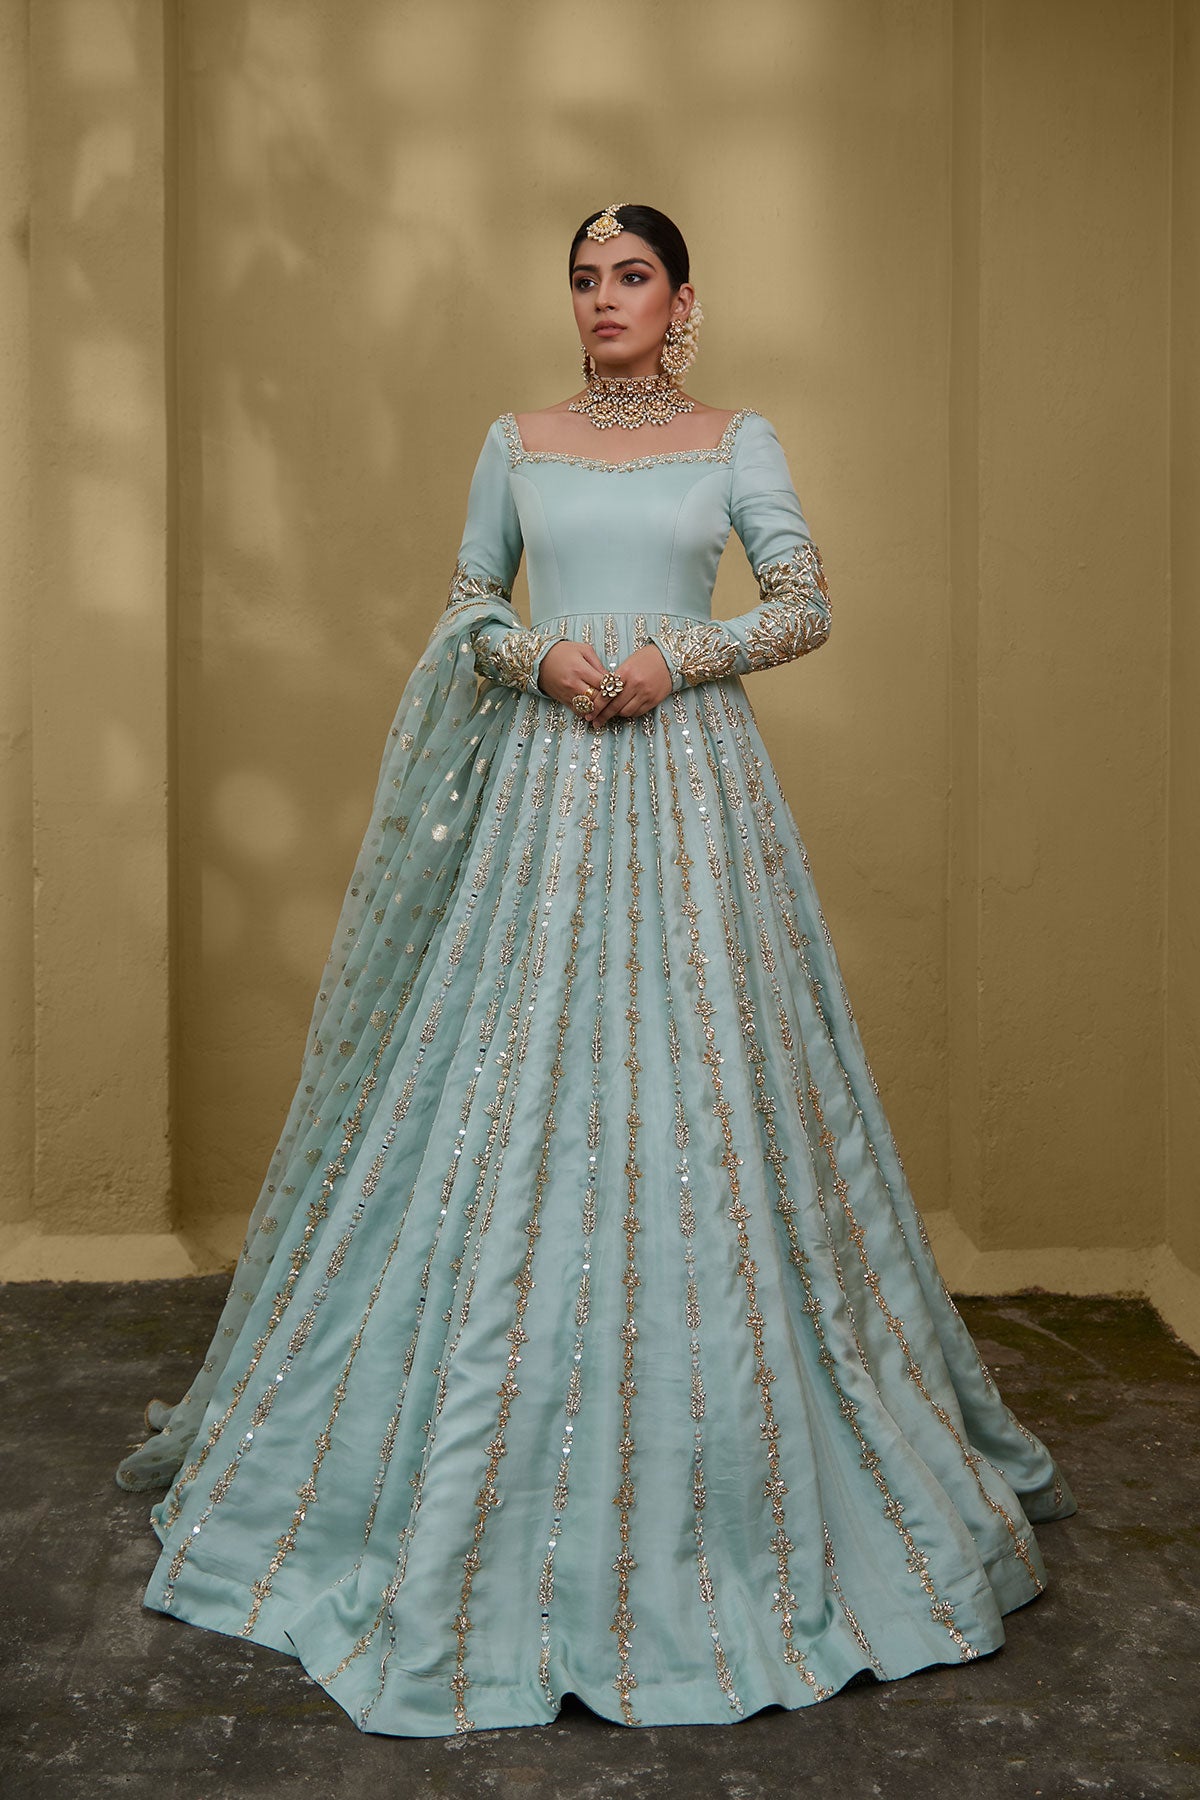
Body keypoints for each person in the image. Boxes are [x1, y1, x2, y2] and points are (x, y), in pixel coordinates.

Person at [117, 203, 1075, 1737]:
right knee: (505, 1094)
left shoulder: (733, 438)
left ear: (682, 300)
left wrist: (673, 657)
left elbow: (808, 603)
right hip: (544, 799)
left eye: (633, 276)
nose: (604, 297)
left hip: (694, 794)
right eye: (584, 275)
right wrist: (533, 656)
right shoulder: (520, 438)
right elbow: (465, 603)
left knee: (709, 1090)